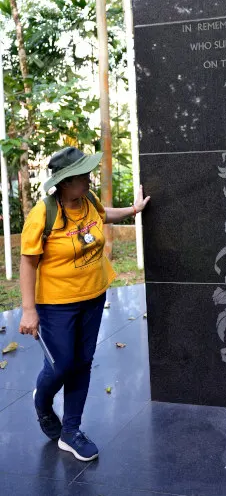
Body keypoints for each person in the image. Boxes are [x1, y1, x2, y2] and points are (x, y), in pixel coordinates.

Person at [18, 147, 150, 462]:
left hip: (93, 296)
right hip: (56, 304)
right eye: (81, 177)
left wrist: (133, 210)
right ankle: (43, 402)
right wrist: (28, 309)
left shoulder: (87, 200)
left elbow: (104, 213)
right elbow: (28, 262)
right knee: (61, 365)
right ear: (64, 182)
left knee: (83, 362)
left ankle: (71, 432)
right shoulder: (43, 213)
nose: (88, 180)